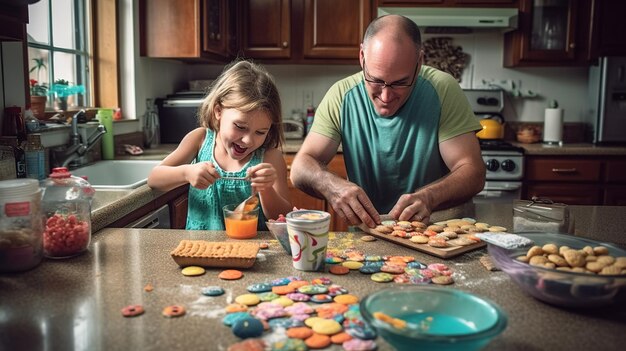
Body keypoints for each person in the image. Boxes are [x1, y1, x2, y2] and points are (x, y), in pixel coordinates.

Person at [290, 15, 486, 228]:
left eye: (400, 83)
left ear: (419, 63)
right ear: (362, 57)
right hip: (371, 235)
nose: (385, 96)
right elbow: (300, 167)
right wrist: (331, 185)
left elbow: (473, 171)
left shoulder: (443, 89)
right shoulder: (341, 95)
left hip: (439, 232)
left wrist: (429, 197)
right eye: (375, 80)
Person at [148, 60, 292, 230]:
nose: (248, 140)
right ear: (218, 111)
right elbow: (154, 178)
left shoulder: (270, 158)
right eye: (240, 127)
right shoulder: (199, 140)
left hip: (255, 251)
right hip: (201, 249)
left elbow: (282, 217)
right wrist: (187, 172)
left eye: (260, 132)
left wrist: (266, 189)